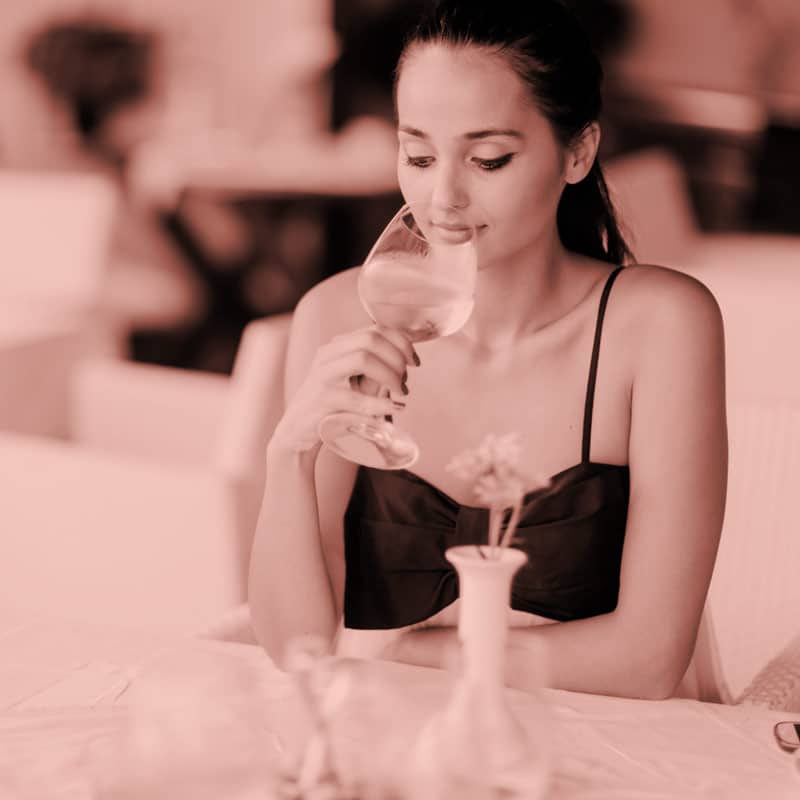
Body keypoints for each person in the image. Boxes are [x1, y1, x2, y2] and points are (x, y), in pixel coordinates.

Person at [248, 0, 727, 701]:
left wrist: (397, 653)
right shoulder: (336, 314)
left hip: (602, 740)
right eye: (418, 156)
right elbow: (296, 645)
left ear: (577, 152)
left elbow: (648, 662)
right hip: (390, 735)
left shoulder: (659, 326)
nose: (442, 197)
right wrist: (290, 453)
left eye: (488, 159)